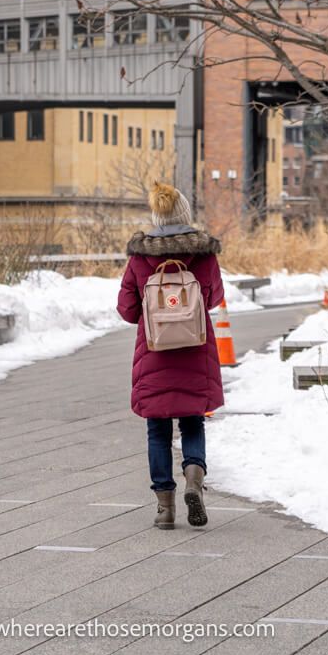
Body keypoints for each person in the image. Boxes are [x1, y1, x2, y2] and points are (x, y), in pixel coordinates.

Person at [116, 181, 224, 529]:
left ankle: (165, 508)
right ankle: (194, 478)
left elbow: (128, 310)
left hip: (155, 352)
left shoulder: (139, 256)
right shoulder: (204, 253)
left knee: (157, 429)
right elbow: (214, 298)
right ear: (185, 213)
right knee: (193, 419)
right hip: (194, 350)